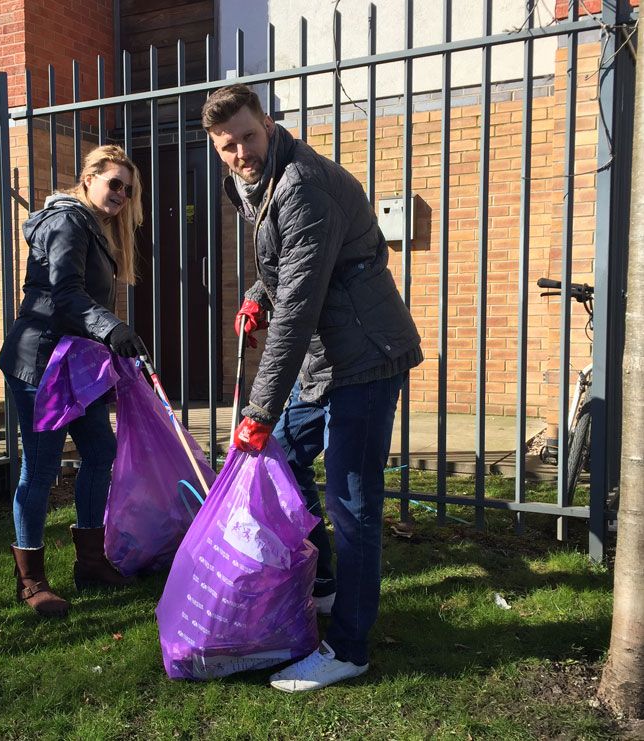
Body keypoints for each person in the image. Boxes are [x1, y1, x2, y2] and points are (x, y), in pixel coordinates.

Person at [203, 84, 423, 691]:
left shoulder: (301, 185)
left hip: (366, 357)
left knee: (354, 503)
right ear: (216, 149)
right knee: (286, 461)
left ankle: (350, 647)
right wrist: (254, 295)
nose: (241, 152)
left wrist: (258, 411)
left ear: (268, 125)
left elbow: (298, 306)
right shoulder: (252, 182)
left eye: (248, 136)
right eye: (228, 146)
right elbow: (282, 268)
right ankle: (325, 582)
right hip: (326, 358)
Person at [0, 145, 145, 618]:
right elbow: (65, 294)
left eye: (128, 187)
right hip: (41, 361)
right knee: (40, 468)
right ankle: (31, 579)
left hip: (77, 363)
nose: (121, 193)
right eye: (114, 183)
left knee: (100, 452)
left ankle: (90, 561)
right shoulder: (67, 221)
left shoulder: (93, 228)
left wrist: (107, 338)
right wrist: (112, 327)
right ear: (88, 180)